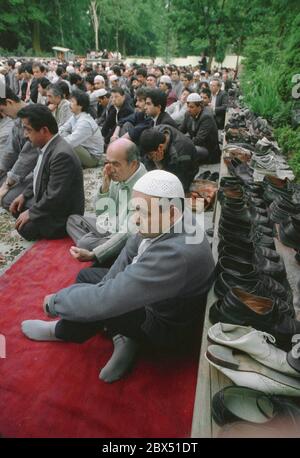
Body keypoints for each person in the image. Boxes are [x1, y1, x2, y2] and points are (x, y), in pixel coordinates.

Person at [21, 170, 215, 383]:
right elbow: (129, 252)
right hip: (157, 299)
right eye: (135, 210)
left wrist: (56, 302)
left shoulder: (177, 253)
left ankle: (61, 331)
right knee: (89, 277)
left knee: (108, 304)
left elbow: (108, 299)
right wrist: (101, 289)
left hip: (166, 327)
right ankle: (123, 337)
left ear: (170, 212)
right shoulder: (173, 216)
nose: (135, 219)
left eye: (142, 213)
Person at [9, 104, 84, 240]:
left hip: (62, 216)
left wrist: (31, 212)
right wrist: (24, 195)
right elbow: (38, 176)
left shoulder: (61, 155)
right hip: (50, 203)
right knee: (14, 205)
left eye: (28, 130)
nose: (25, 135)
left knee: (24, 228)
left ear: (44, 130)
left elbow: (54, 196)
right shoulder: (46, 145)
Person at [66, 138, 146, 266]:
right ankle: (105, 250)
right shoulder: (118, 175)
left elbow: (126, 234)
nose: (110, 169)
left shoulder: (143, 188)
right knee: (73, 220)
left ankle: (105, 254)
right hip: (112, 225)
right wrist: (105, 188)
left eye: (116, 164)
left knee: (84, 243)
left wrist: (95, 254)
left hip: (125, 236)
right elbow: (101, 214)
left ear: (133, 164)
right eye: (108, 162)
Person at [0, 87, 38, 209]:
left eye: (2, 110)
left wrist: (7, 184)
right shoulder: (18, 119)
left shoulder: (33, 116)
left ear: (9, 102)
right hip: (26, 169)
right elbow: (11, 151)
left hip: (39, 171)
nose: (3, 115)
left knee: (7, 199)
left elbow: (27, 158)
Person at [139, 125, 198, 192]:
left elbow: (176, 183)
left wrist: (159, 165)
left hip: (185, 172)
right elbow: (147, 161)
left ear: (160, 147)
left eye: (150, 154)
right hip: (169, 161)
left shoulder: (180, 154)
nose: (149, 157)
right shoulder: (156, 133)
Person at [59, 89, 104, 167]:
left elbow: (71, 142)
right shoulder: (75, 116)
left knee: (68, 145)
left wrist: (54, 142)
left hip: (93, 157)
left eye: (72, 102)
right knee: (63, 134)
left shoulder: (85, 122)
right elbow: (62, 128)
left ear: (80, 105)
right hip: (83, 149)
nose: (70, 104)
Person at [180, 93, 221, 164]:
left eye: (191, 107)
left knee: (185, 150)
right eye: (188, 106)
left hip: (207, 149)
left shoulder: (206, 117)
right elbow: (181, 130)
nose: (189, 109)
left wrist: (182, 144)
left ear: (199, 106)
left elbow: (199, 140)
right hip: (196, 143)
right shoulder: (188, 114)